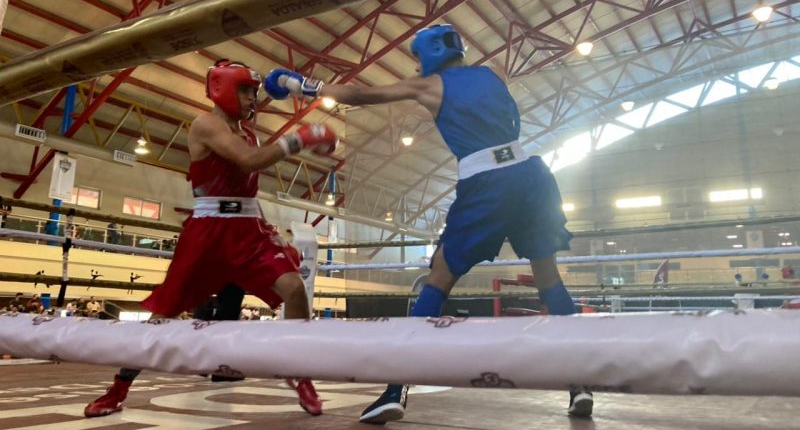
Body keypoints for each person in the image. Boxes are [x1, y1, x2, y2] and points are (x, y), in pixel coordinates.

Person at [266, 25, 593, 423]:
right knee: (548, 277)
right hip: (531, 175)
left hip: (487, 183)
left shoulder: (431, 86)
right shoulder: (493, 73)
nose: (417, 66)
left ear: (433, 51)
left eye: (419, 58)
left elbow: (361, 95)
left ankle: (395, 389)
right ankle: (581, 385)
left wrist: (301, 85)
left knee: (438, 276)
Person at [84, 60, 338, 418]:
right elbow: (249, 162)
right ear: (224, 90)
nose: (252, 98)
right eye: (245, 90)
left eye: (253, 91)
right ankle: (118, 389)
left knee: (295, 290)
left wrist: (268, 230)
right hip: (207, 230)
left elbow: (246, 189)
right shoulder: (206, 125)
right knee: (163, 316)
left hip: (248, 228)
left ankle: (300, 373)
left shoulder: (248, 132)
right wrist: (301, 138)